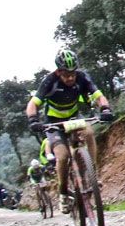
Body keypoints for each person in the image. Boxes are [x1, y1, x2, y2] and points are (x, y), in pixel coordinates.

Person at [26, 49, 115, 213]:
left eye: (73, 73)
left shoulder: (82, 77)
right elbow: (32, 105)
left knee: (88, 133)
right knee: (63, 156)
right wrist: (33, 120)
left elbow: (98, 95)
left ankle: (92, 172)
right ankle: (63, 194)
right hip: (53, 122)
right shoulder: (49, 81)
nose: (70, 78)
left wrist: (105, 108)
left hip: (74, 117)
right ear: (58, 71)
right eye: (66, 74)